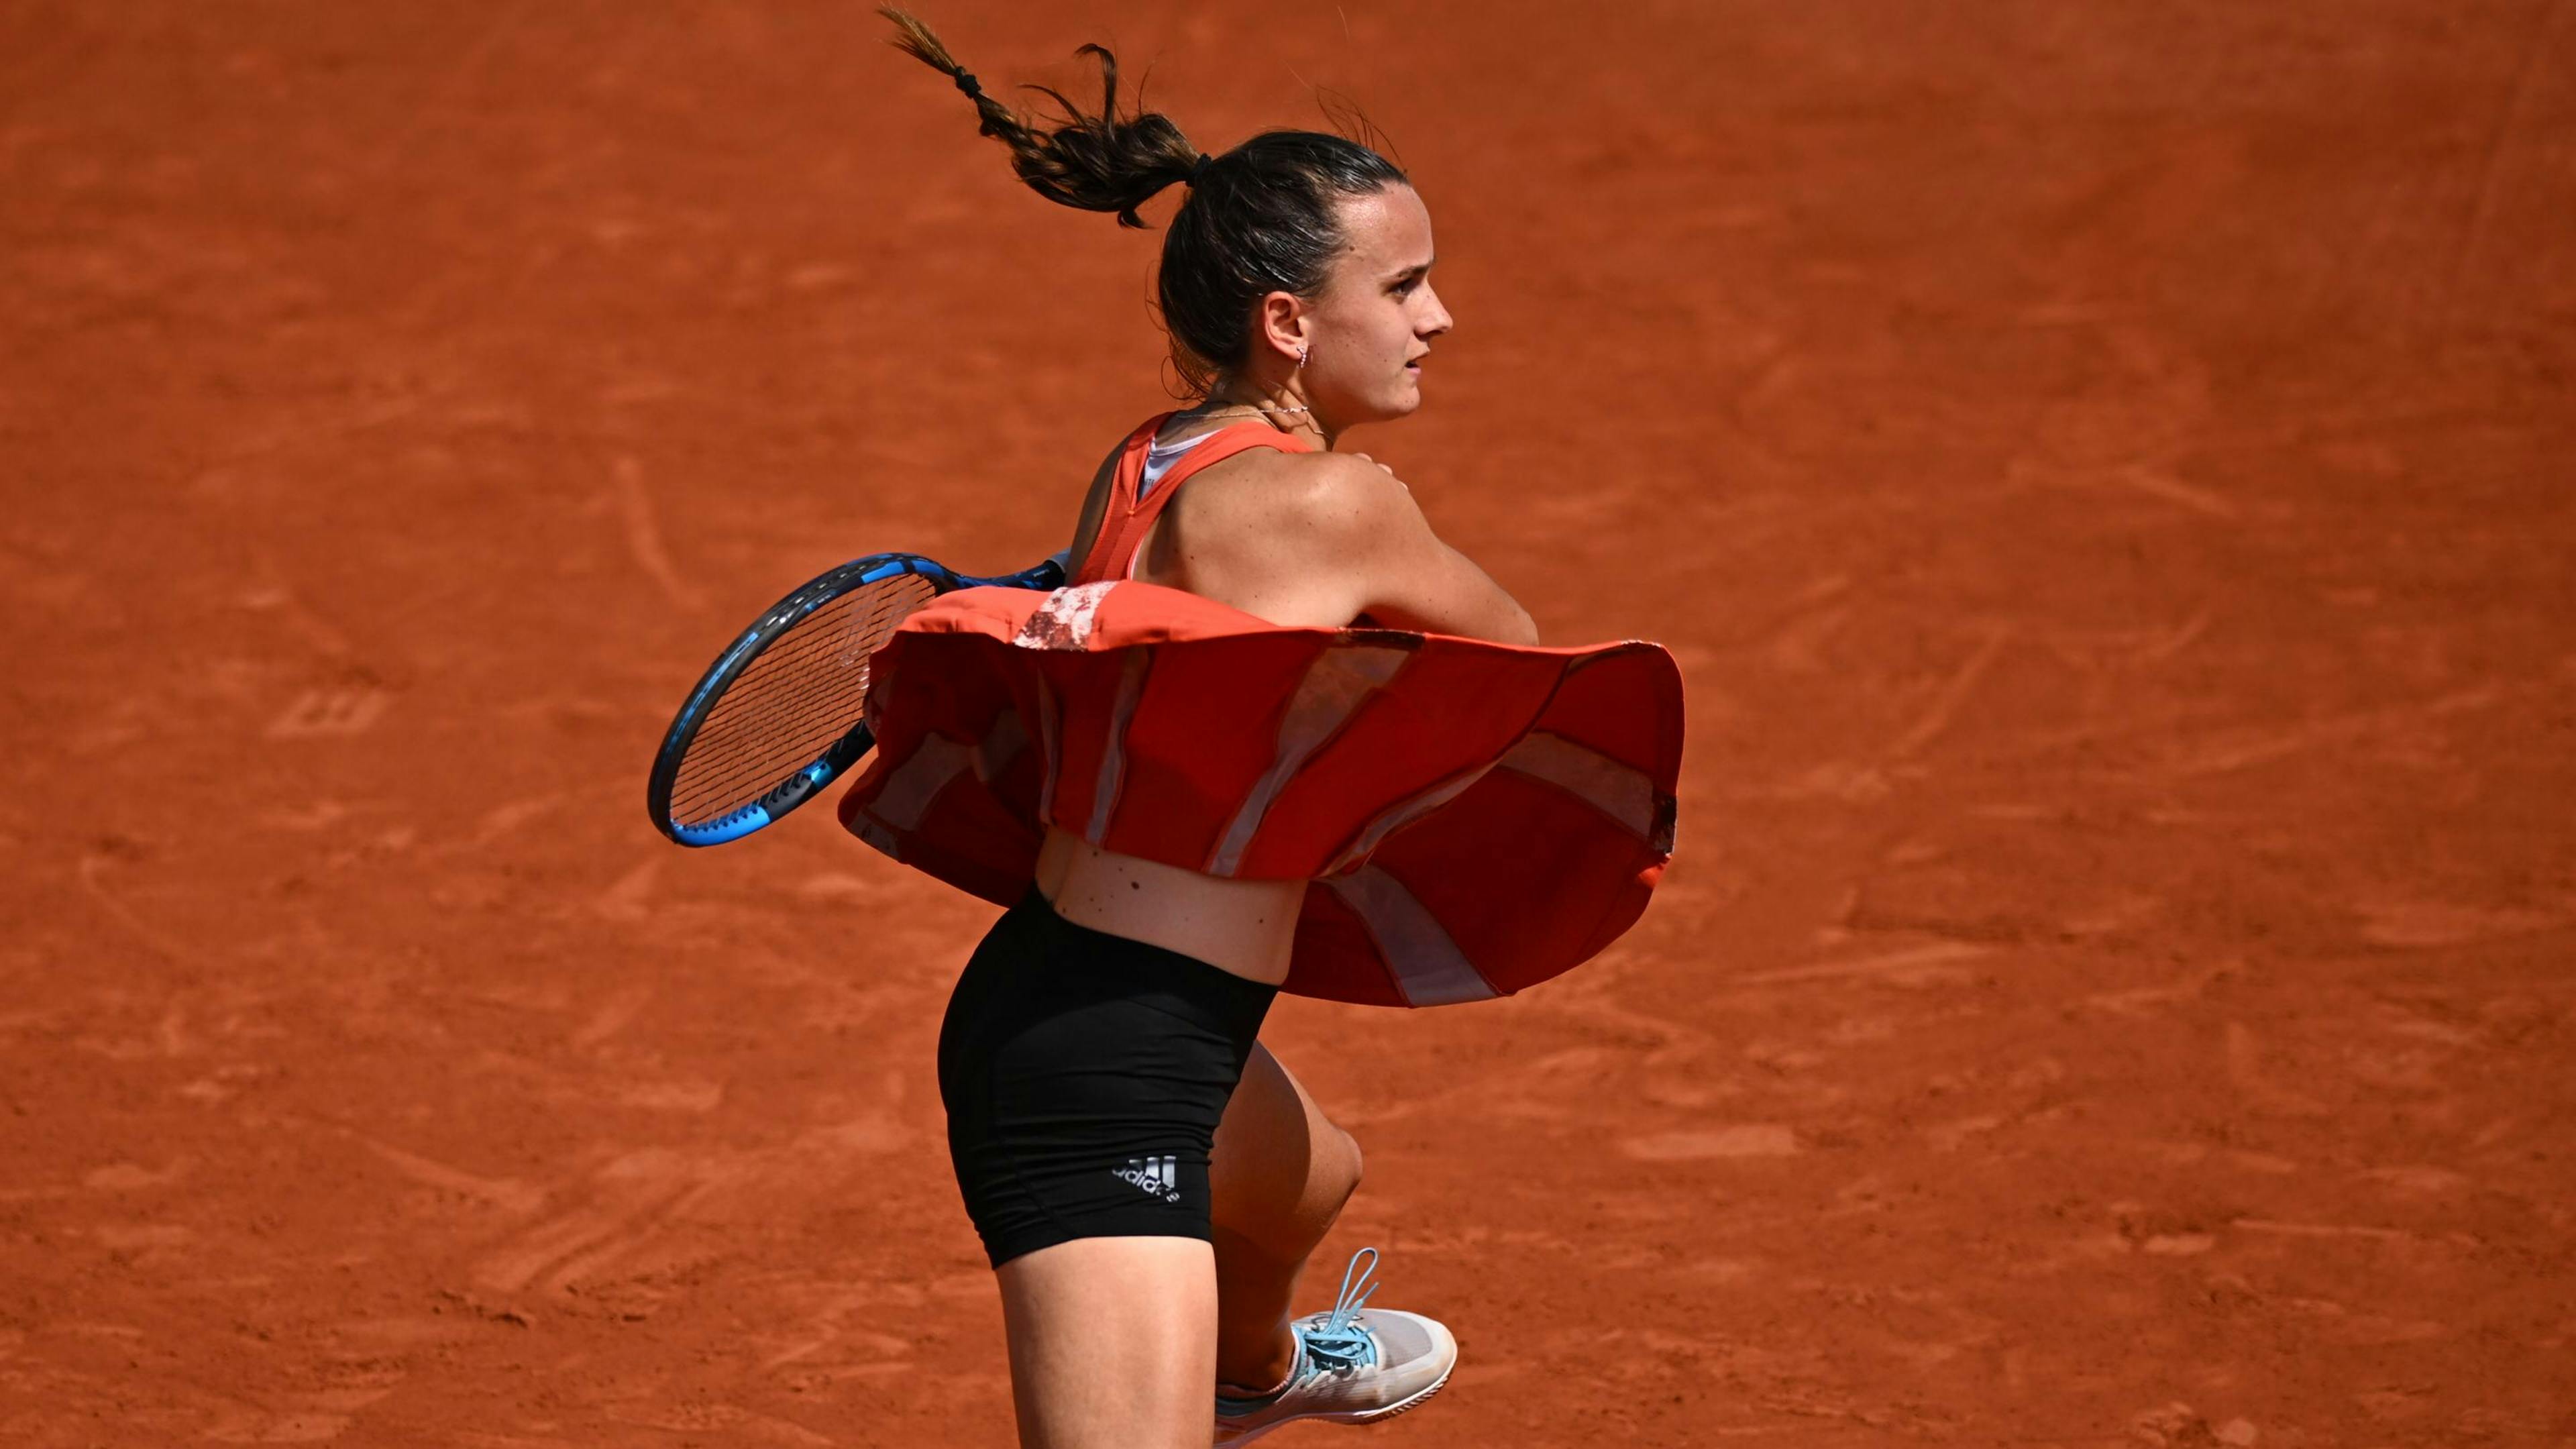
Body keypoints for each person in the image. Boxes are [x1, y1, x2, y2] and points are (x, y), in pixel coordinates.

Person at [855, 11, 1682, 1447]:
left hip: (1088, 994)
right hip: (1103, 1085)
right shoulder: (1344, 505)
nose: (1439, 320)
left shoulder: (1147, 458)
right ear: (1289, 324)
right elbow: (1516, 649)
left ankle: (1254, 1372)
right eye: (1407, 286)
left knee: (1310, 1178)